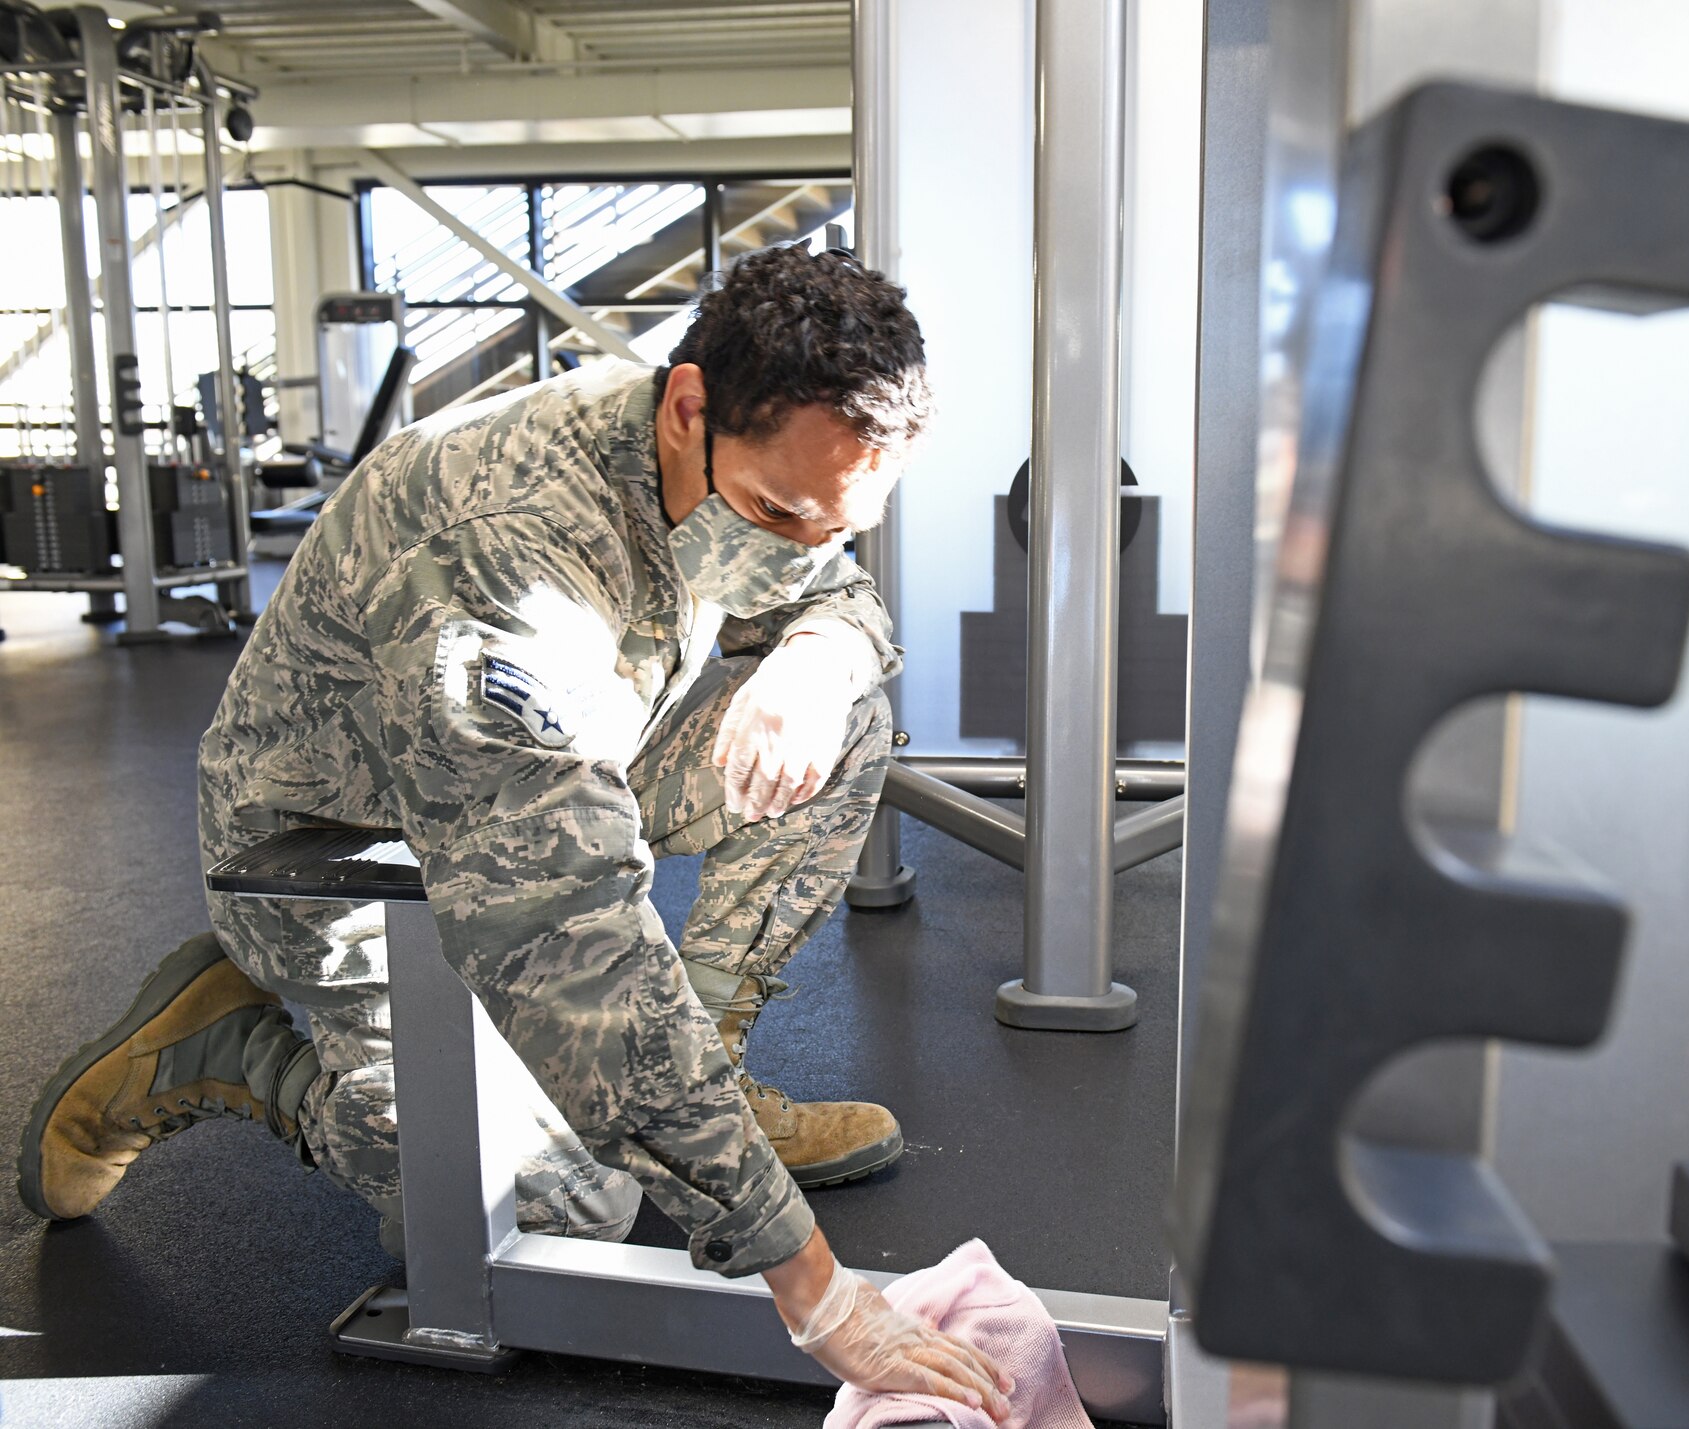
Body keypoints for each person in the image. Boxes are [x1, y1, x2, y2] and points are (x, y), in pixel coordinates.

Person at [16, 244, 1013, 1415]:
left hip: (548, 780)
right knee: (557, 1217)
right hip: (343, 866)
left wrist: (818, 651)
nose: (793, 549)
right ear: (689, 404)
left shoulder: (727, 452)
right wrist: (815, 1293)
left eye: (830, 525)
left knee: (842, 724)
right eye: (774, 513)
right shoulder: (504, 566)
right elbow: (572, 942)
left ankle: (705, 1086)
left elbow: (826, 584)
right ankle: (227, 1050)